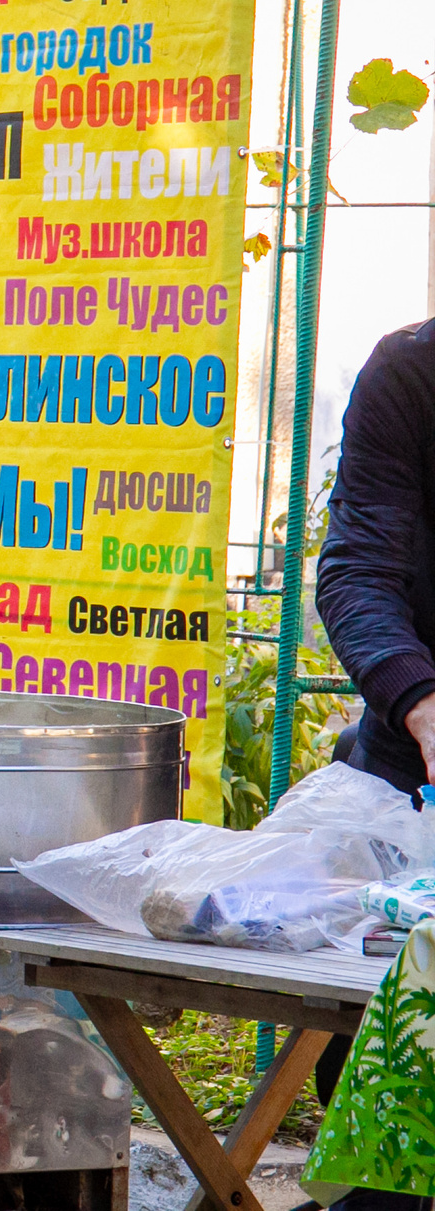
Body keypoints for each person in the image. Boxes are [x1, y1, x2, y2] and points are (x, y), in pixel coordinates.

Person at [311, 316, 435, 1211]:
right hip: (413, 772)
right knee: (364, 1053)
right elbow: (357, 569)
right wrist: (422, 703)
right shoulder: (412, 373)